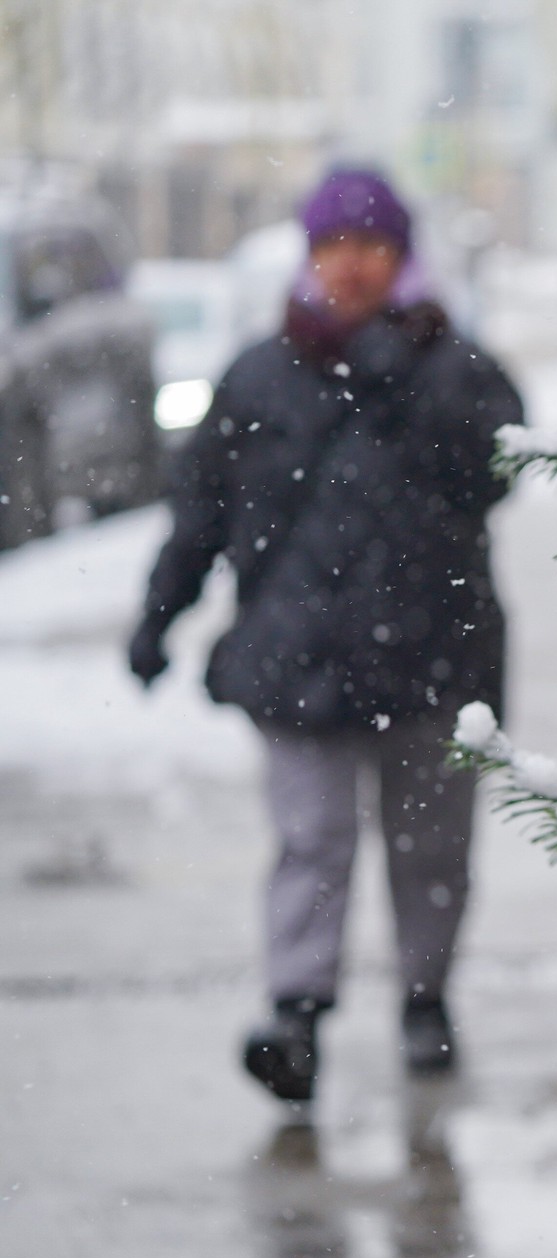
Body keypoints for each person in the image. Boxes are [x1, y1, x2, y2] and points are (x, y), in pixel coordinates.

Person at [127, 168, 521, 1102]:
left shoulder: (456, 367)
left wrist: (421, 382)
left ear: (402, 257)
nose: (353, 265)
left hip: (433, 652)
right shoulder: (259, 374)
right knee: (312, 840)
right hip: (296, 655)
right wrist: (158, 618)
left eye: (373, 246)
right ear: (308, 257)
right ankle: (294, 1016)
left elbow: (501, 468)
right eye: (334, 245)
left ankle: (425, 999)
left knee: (430, 847)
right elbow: (199, 511)